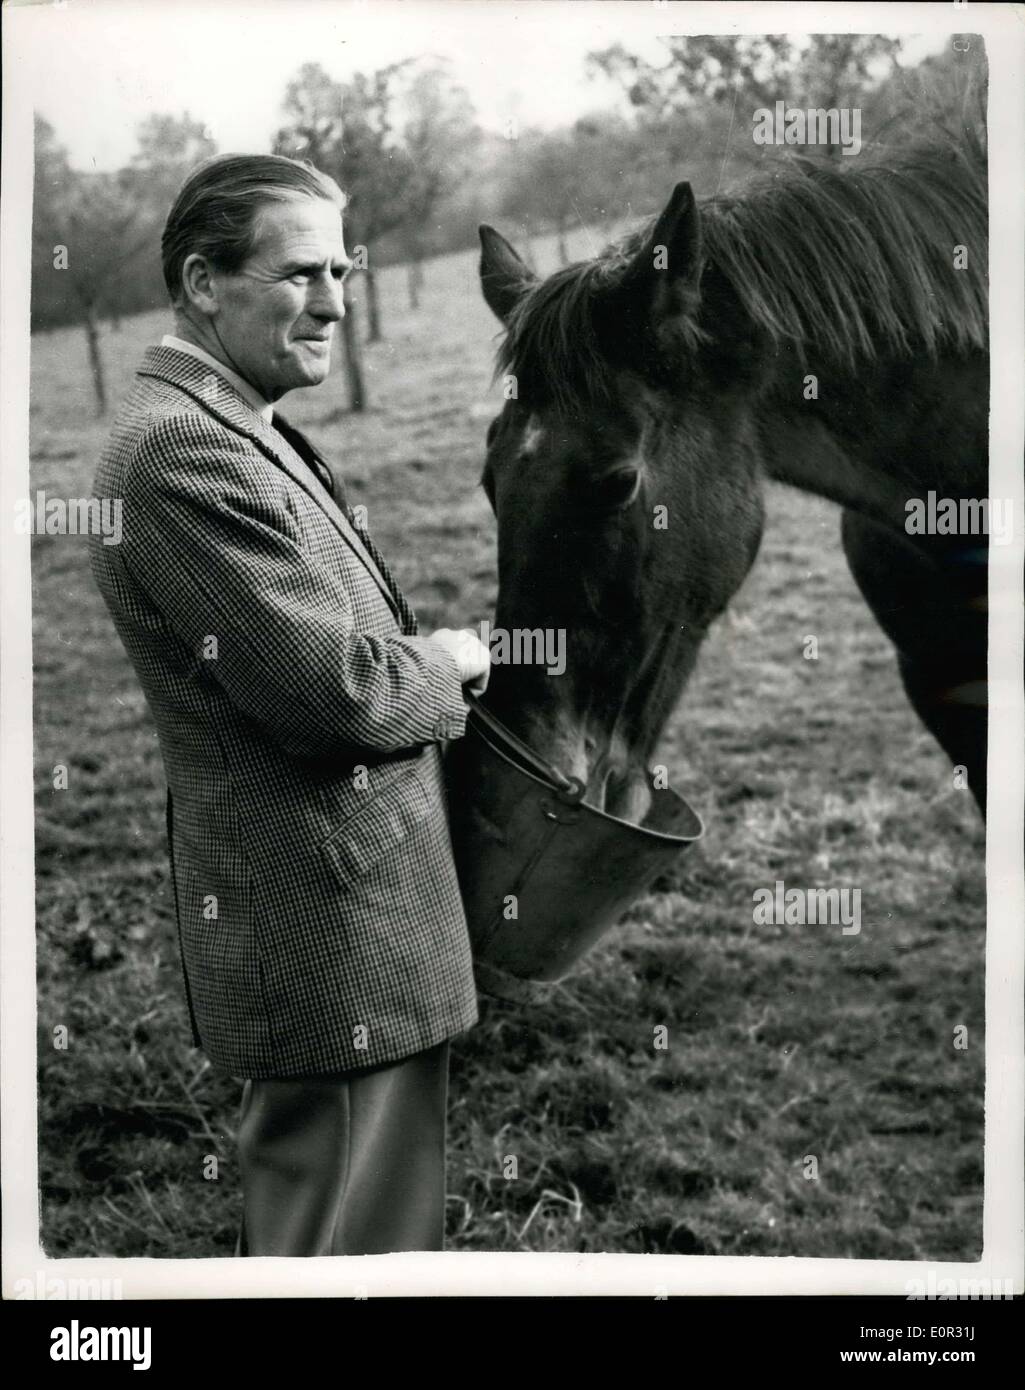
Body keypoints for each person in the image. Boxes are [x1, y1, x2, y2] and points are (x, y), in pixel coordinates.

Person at [89, 153, 491, 1256]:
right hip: (325, 937)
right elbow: (337, 696)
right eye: (300, 273)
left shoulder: (233, 417)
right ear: (201, 282)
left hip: (360, 921)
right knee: (331, 1255)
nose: (333, 301)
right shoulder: (179, 451)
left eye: (343, 270)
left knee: (379, 1245)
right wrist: (449, 659)